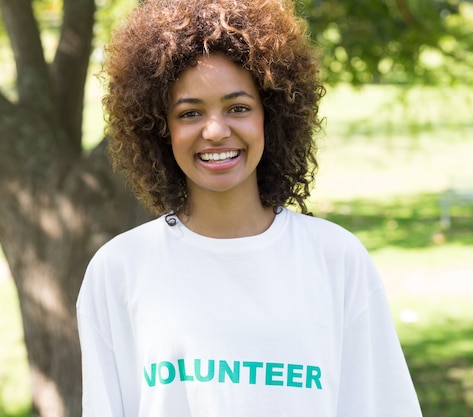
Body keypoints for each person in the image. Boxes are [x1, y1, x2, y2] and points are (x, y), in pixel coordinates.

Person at [76, 0, 423, 416]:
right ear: (160, 128)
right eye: (190, 113)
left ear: (271, 116)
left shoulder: (336, 259)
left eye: (238, 107)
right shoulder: (119, 269)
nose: (216, 131)